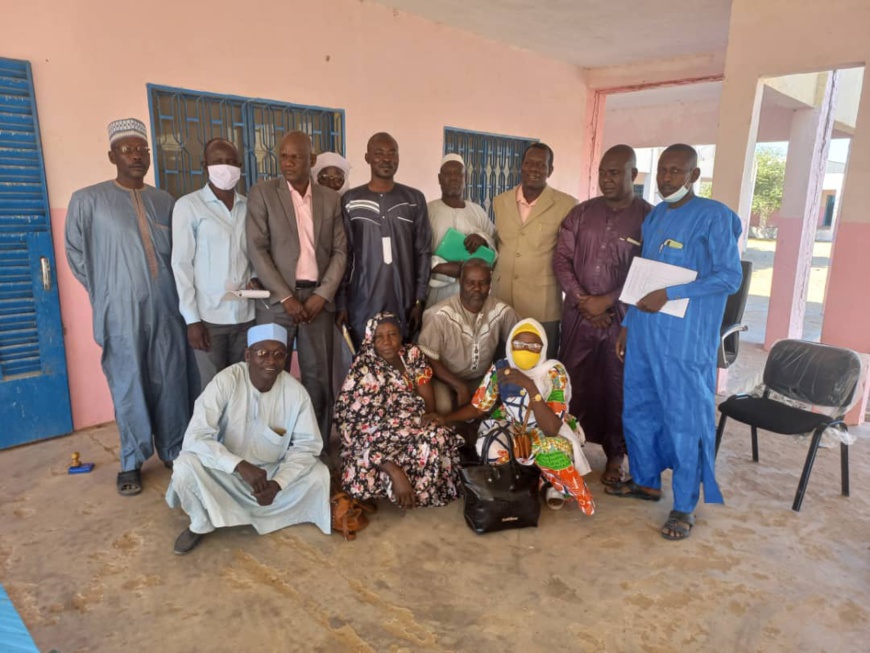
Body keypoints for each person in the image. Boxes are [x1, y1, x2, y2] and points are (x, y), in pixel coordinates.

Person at [609, 144, 742, 542]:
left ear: (694, 175)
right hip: (647, 332)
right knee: (640, 407)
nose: (666, 178)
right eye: (662, 170)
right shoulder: (656, 217)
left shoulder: (714, 217)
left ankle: (684, 504)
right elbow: (645, 273)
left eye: (675, 171)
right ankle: (647, 481)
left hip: (686, 340)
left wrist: (672, 293)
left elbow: (728, 277)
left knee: (686, 418)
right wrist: (628, 325)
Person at [65, 118, 197, 497]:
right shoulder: (87, 200)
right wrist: (106, 289)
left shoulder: (165, 201)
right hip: (119, 311)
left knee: (172, 378)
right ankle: (131, 459)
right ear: (112, 155)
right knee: (129, 382)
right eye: (127, 149)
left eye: (142, 149)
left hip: (168, 307)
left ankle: (173, 449)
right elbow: (76, 252)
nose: (136, 155)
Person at [166, 323, 331, 555]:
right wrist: (238, 465)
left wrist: (278, 483)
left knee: (319, 474)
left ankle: (257, 508)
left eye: (278, 354)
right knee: (184, 466)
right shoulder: (226, 381)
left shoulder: (296, 393)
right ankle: (200, 523)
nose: (270, 361)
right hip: (226, 473)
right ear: (247, 355)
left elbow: (307, 446)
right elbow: (196, 436)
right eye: (262, 353)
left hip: (271, 473)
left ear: (286, 357)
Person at [553, 145, 651, 486]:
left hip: (622, 322)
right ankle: (565, 451)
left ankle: (615, 456)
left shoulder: (648, 218)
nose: (606, 180)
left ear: (632, 175)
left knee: (617, 388)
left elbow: (648, 272)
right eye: (602, 173)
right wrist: (584, 301)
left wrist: (608, 301)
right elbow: (562, 259)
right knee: (570, 385)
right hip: (579, 318)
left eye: (614, 173)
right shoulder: (581, 214)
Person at [245, 131, 347, 449]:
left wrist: (322, 295)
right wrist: (286, 297)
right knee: (269, 375)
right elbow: (257, 248)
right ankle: (270, 445)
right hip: (278, 303)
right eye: (284, 156)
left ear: (311, 160)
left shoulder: (330, 199)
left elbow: (341, 251)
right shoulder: (263, 193)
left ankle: (313, 446)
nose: (288, 162)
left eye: (296, 156)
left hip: (318, 302)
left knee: (318, 380)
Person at [435, 319, 594, 514]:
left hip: (545, 425)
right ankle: (518, 485)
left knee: (550, 448)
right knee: (490, 445)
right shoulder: (501, 369)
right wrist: (446, 419)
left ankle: (554, 484)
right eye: (519, 344)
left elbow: (551, 428)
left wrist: (529, 385)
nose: (525, 350)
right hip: (512, 423)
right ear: (510, 344)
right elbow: (478, 407)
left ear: (542, 348)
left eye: (533, 345)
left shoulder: (553, 372)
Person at [334, 313, 463, 510]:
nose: (387, 341)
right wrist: (394, 471)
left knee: (438, 437)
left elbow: (427, 399)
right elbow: (351, 428)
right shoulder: (362, 370)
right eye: (379, 336)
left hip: (410, 425)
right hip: (374, 437)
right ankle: (399, 480)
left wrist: (428, 421)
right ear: (370, 340)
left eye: (392, 334)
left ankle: (413, 489)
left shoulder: (412, 355)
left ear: (401, 336)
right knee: (358, 477)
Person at [172, 138, 257, 388]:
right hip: (209, 319)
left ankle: (238, 429)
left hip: (244, 315)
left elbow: (253, 252)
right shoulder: (189, 206)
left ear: (240, 166)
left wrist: (255, 277)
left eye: (231, 162)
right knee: (213, 389)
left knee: (242, 385)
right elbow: (182, 265)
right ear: (204, 165)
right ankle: (214, 430)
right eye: (218, 161)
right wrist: (192, 320)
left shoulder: (248, 206)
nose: (225, 167)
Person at [336, 133, 432, 348]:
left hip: (404, 299)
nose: (386, 159)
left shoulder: (414, 199)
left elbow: (423, 251)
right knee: (365, 359)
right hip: (362, 300)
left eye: (392, 153)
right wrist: (341, 302)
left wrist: (419, 300)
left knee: (402, 359)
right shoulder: (351, 200)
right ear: (367, 157)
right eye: (379, 153)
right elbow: (344, 254)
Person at [492, 143, 576, 359]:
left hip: (543, 303)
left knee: (540, 364)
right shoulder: (500, 202)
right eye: (529, 163)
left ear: (550, 170)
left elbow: (571, 253)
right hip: (503, 301)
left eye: (541, 165)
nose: (534, 169)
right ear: (521, 165)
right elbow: (496, 243)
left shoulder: (567, 205)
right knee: (504, 361)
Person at [418, 258, 518, 415]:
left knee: (499, 410)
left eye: (483, 283)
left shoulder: (501, 311)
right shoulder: (438, 315)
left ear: (490, 284)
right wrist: (459, 386)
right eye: (470, 283)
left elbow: (520, 341)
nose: (476, 288)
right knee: (444, 407)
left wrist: (501, 373)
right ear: (460, 282)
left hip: (482, 378)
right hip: (445, 379)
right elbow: (427, 358)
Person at [426, 154, 497, 307]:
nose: (453, 178)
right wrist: (440, 267)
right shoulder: (427, 211)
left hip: (474, 294)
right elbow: (416, 252)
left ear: (466, 179)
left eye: (459, 173)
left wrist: (482, 238)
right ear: (439, 178)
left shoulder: (478, 212)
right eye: (447, 174)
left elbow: (496, 244)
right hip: (438, 293)